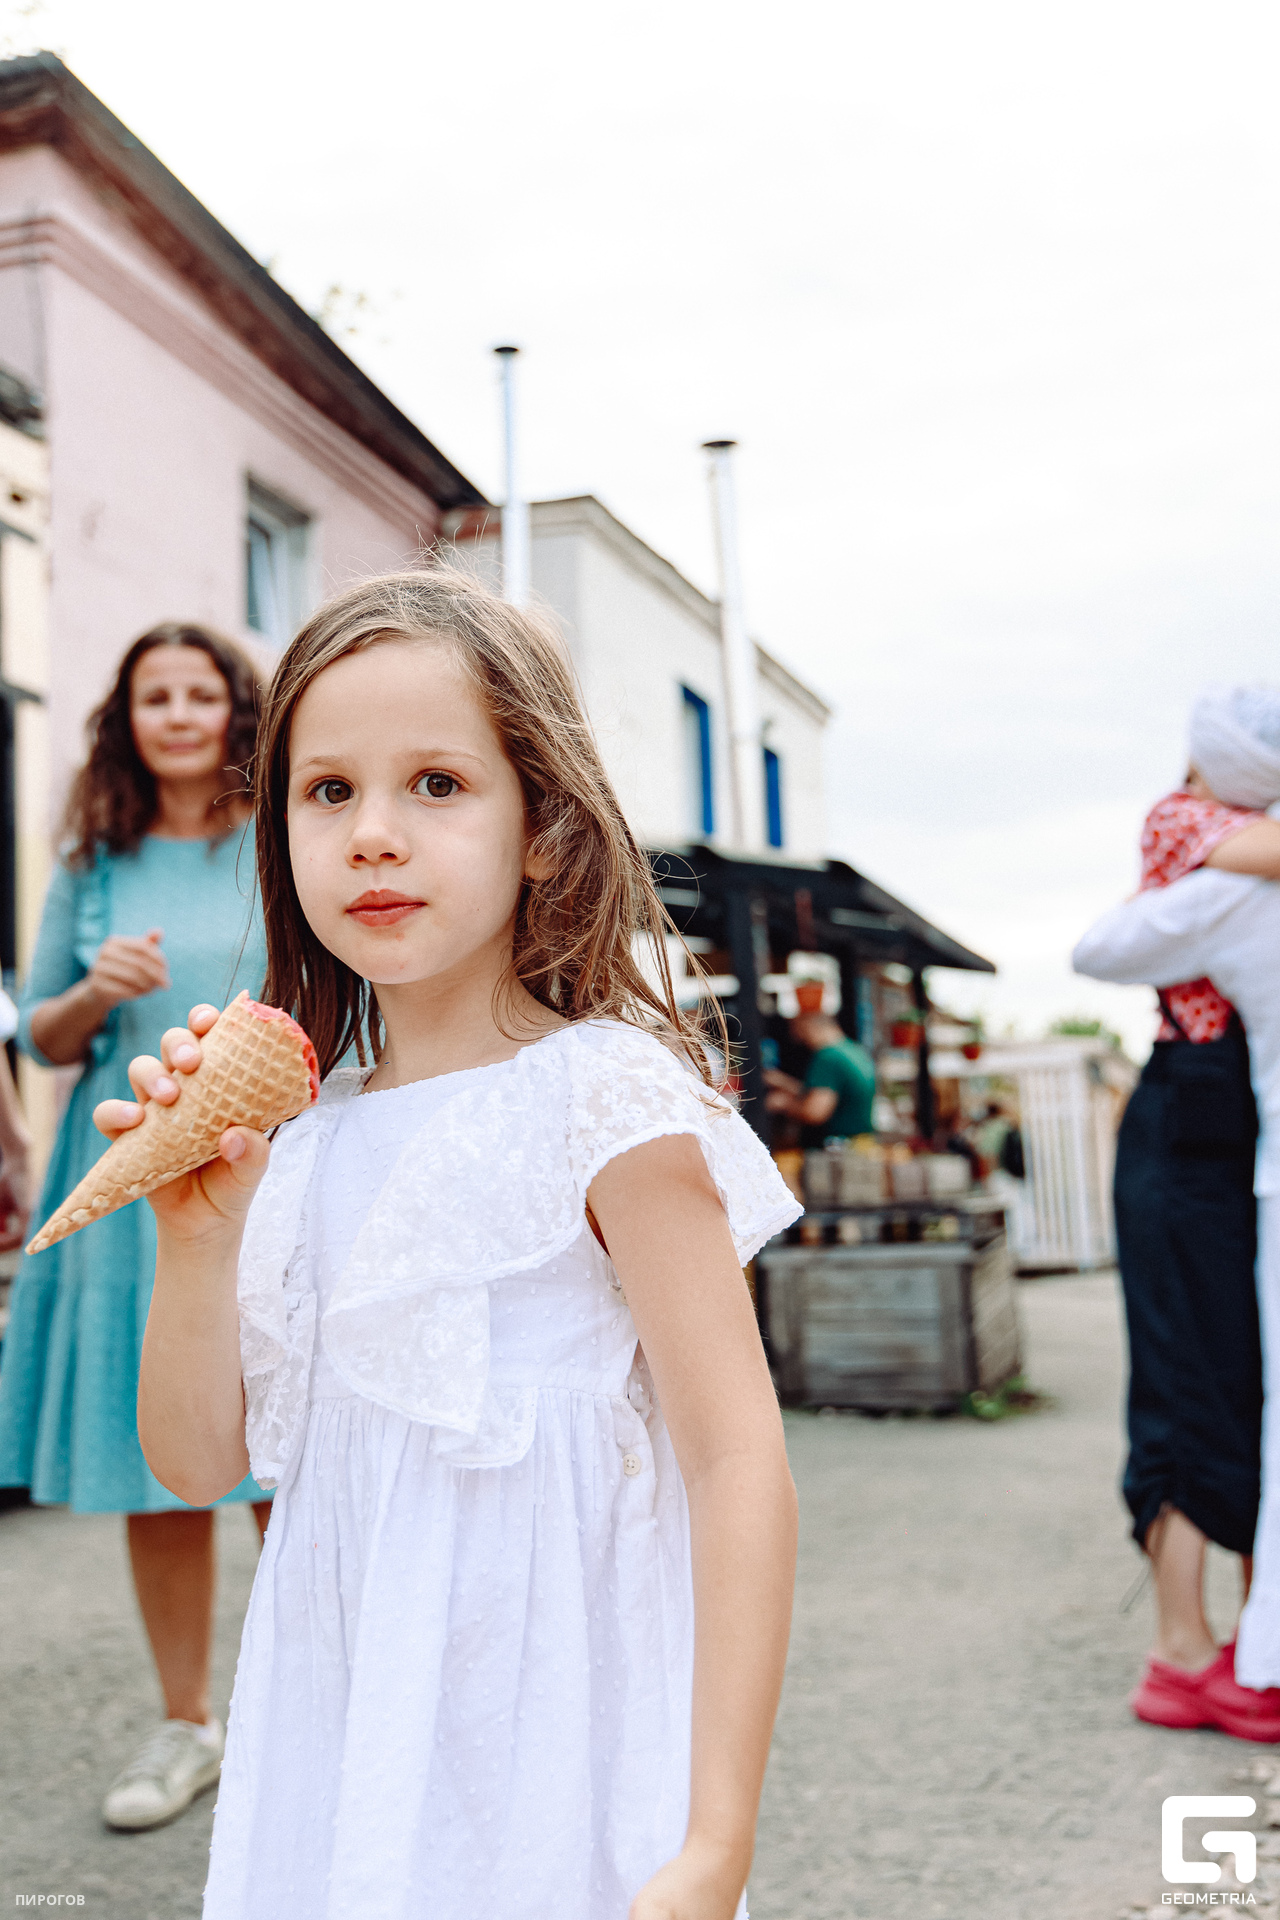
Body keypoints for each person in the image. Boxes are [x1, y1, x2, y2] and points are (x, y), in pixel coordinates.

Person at [101, 568, 802, 1920]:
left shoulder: (607, 1098)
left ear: (544, 827)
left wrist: (718, 1837)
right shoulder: (298, 1142)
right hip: (343, 1775)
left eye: (437, 783)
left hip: (560, 1779)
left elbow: (736, 1460)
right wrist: (196, 1241)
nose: (374, 835)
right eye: (328, 791)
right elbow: (196, 1464)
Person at [0, 623, 270, 1828]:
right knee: (162, 1461)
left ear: (233, 712)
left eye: (197, 692)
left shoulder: (280, 838)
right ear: (126, 718)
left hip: (272, 1174)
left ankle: (321, 1707)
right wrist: (92, 994)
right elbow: (41, 1039)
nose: (175, 713)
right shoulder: (93, 858)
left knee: (289, 1451)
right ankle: (187, 1725)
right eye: (152, 695)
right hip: (124, 1179)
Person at [1074, 683, 1280, 1736]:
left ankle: (1243, 1640)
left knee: (1238, 1380)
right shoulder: (1189, 826)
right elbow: (1098, 948)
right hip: (1182, 1115)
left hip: (1223, 1122)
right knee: (1185, 1377)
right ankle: (1180, 1647)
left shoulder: (1223, 845)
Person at [763, 1010, 877, 1145]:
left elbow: (815, 1112)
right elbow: (826, 1092)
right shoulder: (853, 1049)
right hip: (862, 1143)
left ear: (809, 1026)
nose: (798, 1038)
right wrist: (782, 1082)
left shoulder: (828, 1056)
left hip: (840, 1146)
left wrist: (783, 1103)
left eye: (799, 1031)